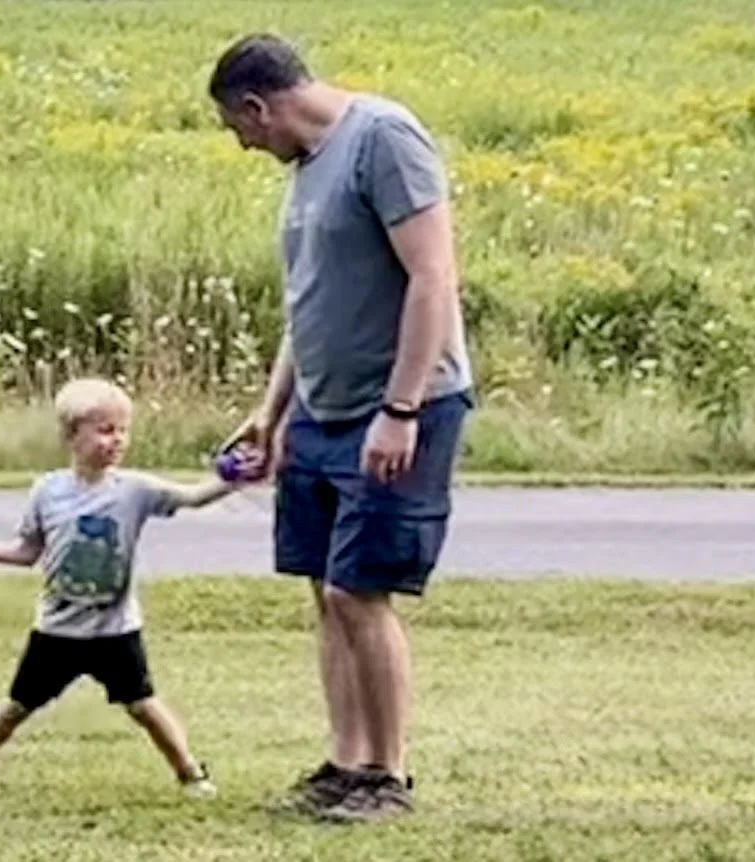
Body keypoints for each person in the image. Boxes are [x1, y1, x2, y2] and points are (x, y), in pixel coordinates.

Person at [207, 34, 475, 823]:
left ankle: (386, 778)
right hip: (320, 414)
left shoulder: (383, 139)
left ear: (259, 106)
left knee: (359, 590)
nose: (246, 146)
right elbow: (310, 304)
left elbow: (433, 277)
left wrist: (400, 411)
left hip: (396, 408)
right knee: (324, 595)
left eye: (240, 130)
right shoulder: (306, 171)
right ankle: (346, 763)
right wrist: (273, 412)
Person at [0, 377, 263, 800]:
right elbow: (27, 551)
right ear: (71, 435)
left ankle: (191, 775)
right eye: (105, 430)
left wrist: (236, 477)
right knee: (16, 706)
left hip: (115, 631)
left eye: (122, 430)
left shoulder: (136, 490)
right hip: (57, 631)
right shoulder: (48, 491)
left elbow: (193, 498)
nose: (117, 440)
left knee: (144, 705)